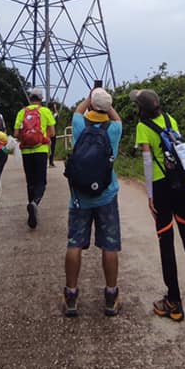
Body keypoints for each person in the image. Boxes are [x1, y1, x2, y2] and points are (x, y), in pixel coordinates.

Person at [133, 89, 185, 321]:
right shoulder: (170, 119)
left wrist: (149, 195)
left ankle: (174, 302)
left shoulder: (143, 127)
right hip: (182, 186)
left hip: (162, 189)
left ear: (141, 108)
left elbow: (148, 162)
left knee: (166, 243)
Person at [62, 87, 123, 317]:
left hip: (80, 198)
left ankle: (70, 295)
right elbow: (117, 118)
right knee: (109, 245)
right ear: (107, 108)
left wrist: (90, 96)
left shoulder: (79, 125)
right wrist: (106, 104)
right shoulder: (115, 129)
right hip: (106, 195)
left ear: (90, 104)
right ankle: (110, 296)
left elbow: (78, 111)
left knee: (74, 243)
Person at [14, 88, 56, 229]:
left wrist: (24, 139)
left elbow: (16, 133)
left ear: (30, 98)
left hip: (26, 152)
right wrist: (44, 138)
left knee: (30, 182)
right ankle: (35, 203)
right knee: (41, 182)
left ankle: (31, 210)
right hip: (41, 151)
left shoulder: (22, 112)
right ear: (41, 98)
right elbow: (52, 132)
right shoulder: (45, 111)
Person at [49, 102, 60, 167]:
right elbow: (57, 115)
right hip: (53, 133)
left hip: (46, 133)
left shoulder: (46, 113)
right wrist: (55, 108)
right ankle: (51, 162)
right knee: (52, 148)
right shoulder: (53, 115)